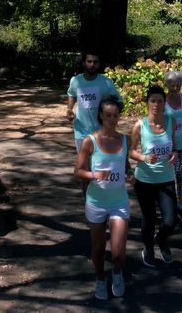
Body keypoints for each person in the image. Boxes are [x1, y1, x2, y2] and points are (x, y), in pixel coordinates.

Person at [74, 97, 131, 300]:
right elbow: (78, 171)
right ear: (100, 115)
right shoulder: (90, 141)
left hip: (119, 202)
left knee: (117, 252)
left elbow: (125, 167)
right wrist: (94, 175)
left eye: (115, 115)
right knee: (98, 248)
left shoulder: (125, 140)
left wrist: (130, 176)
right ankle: (100, 279)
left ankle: (117, 273)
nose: (112, 119)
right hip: (96, 202)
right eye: (108, 115)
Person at [129, 86, 178, 267]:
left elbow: (173, 145)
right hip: (145, 180)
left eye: (160, 101)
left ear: (164, 103)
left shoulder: (170, 121)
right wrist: (144, 157)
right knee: (149, 219)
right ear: (147, 103)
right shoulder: (139, 125)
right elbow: (131, 151)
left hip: (166, 179)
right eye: (153, 101)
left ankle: (162, 239)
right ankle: (148, 250)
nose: (156, 104)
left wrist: (174, 153)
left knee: (170, 221)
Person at [66, 51, 120, 154]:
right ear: (84, 63)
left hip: (102, 131)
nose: (92, 65)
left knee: (100, 164)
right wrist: (69, 109)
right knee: (83, 164)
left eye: (95, 62)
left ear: (99, 64)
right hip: (81, 131)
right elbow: (71, 94)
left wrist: (110, 106)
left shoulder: (106, 83)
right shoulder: (76, 81)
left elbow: (119, 102)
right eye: (89, 61)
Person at [164, 70, 182, 221]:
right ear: (167, 85)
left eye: (179, 84)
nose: (176, 88)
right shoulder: (163, 101)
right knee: (166, 176)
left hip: (181, 142)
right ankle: (166, 205)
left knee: (180, 173)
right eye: (173, 85)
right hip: (166, 144)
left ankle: (181, 206)